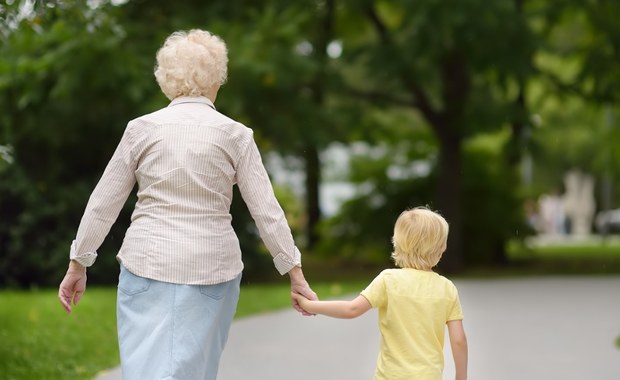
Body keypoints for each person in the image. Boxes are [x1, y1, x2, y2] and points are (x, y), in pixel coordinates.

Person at [58, 29, 317, 380]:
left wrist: (78, 263)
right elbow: (266, 212)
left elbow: (103, 202)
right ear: (217, 79)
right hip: (213, 269)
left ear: (166, 78)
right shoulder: (235, 135)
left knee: (143, 369)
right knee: (196, 371)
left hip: (146, 262)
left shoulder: (141, 130)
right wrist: (294, 273)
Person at [293, 207, 468, 380]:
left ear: (398, 243)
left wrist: (309, 304)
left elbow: (351, 309)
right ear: (440, 249)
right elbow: (458, 340)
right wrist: (461, 377)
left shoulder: (388, 280)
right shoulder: (447, 288)